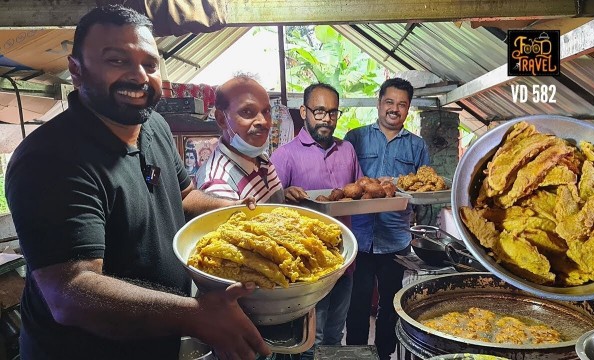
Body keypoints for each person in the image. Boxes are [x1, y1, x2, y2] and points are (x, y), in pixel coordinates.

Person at [4, 5, 269, 360]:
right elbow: (71, 292)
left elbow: (185, 195)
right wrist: (195, 314)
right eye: (117, 61)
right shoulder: (50, 159)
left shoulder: (154, 126)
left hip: (153, 341)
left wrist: (238, 214)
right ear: (76, 71)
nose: (139, 76)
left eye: (150, 63)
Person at [270, 83, 363, 358]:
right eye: (319, 111)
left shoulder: (346, 150)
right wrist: (283, 193)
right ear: (304, 112)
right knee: (312, 335)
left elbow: (357, 195)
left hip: (345, 262)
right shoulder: (285, 155)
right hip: (308, 269)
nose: (326, 119)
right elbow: (267, 210)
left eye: (333, 113)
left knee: (335, 333)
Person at [344, 78, 430, 360]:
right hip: (359, 238)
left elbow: (424, 188)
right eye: (389, 102)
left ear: (408, 110)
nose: (395, 109)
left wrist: (421, 236)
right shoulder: (355, 137)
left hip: (396, 240)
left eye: (402, 104)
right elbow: (344, 181)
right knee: (356, 305)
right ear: (379, 103)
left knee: (391, 305)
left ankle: (383, 354)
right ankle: (357, 354)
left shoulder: (417, 146)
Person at [196, 75, 284, 204]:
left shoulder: (260, 157)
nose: (263, 121)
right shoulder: (219, 184)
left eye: (266, 111)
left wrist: (283, 194)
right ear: (221, 119)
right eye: (247, 112)